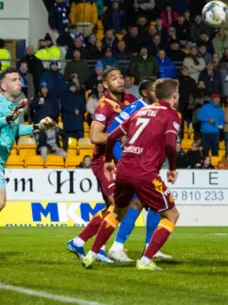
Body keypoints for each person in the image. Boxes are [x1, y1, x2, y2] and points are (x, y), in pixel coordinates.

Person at [81, 79, 182, 271]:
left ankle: (91, 254)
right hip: (145, 171)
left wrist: (110, 160)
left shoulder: (140, 111)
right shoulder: (172, 114)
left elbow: (111, 136)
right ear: (174, 95)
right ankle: (146, 260)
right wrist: (173, 167)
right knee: (171, 215)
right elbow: (170, 143)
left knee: (118, 211)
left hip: (124, 170)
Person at [66, 67, 137, 263]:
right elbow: (94, 136)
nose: (119, 81)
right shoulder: (104, 106)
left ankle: (86, 244)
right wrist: (117, 137)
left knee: (114, 208)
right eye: (114, 78)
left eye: (121, 77)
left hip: (122, 160)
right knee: (118, 206)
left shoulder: (130, 100)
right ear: (105, 84)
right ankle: (84, 243)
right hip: (104, 162)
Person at [105, 77, 171, 263]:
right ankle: (117, 246)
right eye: (154, 90)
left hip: (149, 164)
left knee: (156, 205)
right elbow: (112, 133)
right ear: (144, 92)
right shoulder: (134, 108)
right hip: (135, 164)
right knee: (136, 204)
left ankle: (150, 248)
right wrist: (120, 159)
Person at [0, 69, 56, 212]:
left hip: (0, 162)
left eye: (19, 79)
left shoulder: (13, 107)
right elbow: (7, 121)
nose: (19, 82)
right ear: (3, 86)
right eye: (14, 80)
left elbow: (16, 129)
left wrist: (39, 126)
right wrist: (8, 118)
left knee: (1, 201)